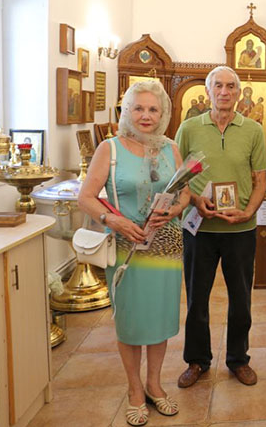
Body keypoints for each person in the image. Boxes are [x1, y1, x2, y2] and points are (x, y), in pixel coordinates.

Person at [78, 80, 190, 426]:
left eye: (153, 109)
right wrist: (113, 219)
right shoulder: (109, 149)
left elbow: (185, 194)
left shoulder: (171, 148)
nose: (145, 116)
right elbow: (86, 196)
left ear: (164, 114)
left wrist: (173, 211)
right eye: (138, 108)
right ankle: (134, 390)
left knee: (159, 319)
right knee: (130, 321)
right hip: (127, 248)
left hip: (166, 247)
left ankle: (155, 385)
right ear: (126, 111)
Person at [175, 66, 266, 389]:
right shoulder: (189, 128)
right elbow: (178, 179)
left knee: (241, 299)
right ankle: (197, 360)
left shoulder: (254, 130)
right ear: (208, 90)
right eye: (219, 86)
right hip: (199, 228)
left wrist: (249, 211)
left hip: (240, 231)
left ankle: (238, 359)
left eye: (231, 86)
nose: (225, 91)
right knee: (197, 299)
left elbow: (261, 181)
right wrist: (196, 200)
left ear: (239, 93)